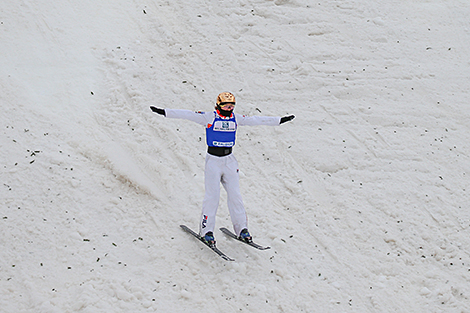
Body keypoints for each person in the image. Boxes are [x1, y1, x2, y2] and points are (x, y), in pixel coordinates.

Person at [150, 92, 294, 246]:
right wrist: (164, 112)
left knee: (235, 195)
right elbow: (187, 114)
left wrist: (279, 121)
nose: (229, 108)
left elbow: (256, 120)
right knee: (212, 197)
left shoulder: (236, 118)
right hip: (213, 161)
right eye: (226, 105)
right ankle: (206, 231)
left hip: (230, 161)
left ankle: (242, 229)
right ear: (218, 105)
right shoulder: (209, 117)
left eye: (232, 105)